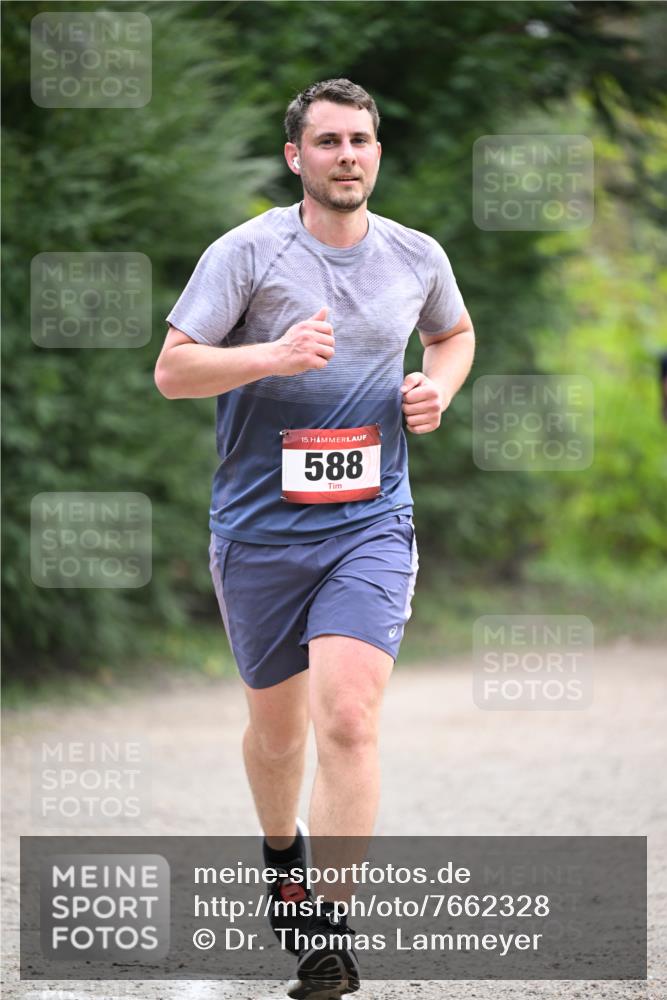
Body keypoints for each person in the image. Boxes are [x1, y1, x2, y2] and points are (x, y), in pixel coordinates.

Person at [155, 78, 475, 999]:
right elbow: (173, 370)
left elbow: (452, 336)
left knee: (347, 718)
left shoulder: (415, 255)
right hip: (258, 532)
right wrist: (272, 355)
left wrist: (436, 389)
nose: (347, 155)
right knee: (277, 734)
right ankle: (281, 852)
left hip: (370, 523)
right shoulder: (248, 253)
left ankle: (326, 931)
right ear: (296, 157)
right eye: (327, 141)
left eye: (361, 140)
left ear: (377, 152)